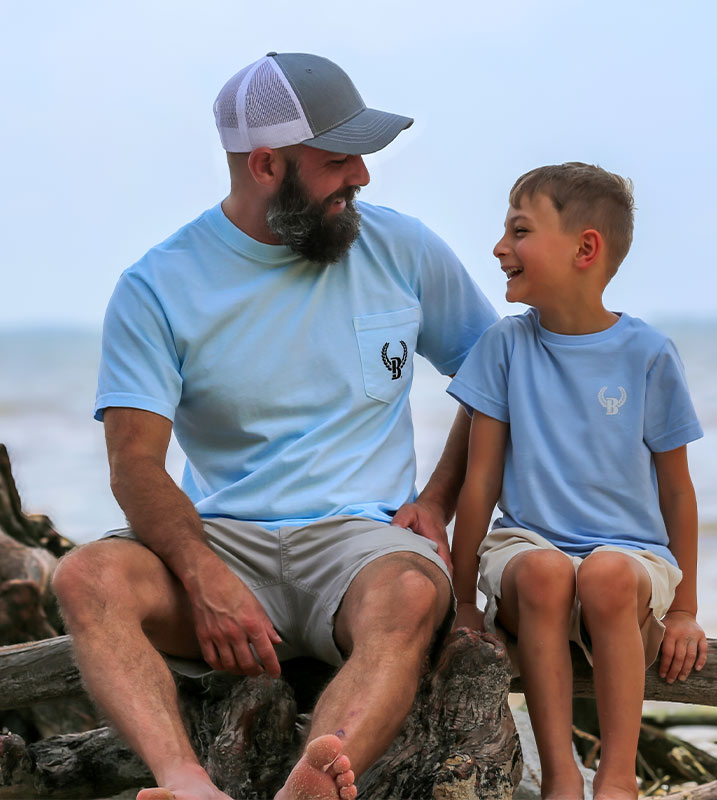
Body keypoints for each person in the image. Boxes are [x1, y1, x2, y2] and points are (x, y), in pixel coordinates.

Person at [52, 52, 497, 800]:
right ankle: (186, 784)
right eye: (337, 160)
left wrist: (441, 498)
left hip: (362, 542)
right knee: (85, 577)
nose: (361, 176)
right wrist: (202, 574)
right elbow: (135, 464)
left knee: (413, 596)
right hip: (223, 537)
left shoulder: (404, 249)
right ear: (265, 164)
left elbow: (499, 377)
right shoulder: (158, 286)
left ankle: (314, 784)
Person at [448, 163, 707, 800]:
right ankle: (562, 778)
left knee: (606, 574)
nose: (499, 247)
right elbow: (478, 482)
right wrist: (461, 602)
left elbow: (676, 489)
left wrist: (686, 610)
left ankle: (617, 781)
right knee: (546, 572)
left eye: (519, 230)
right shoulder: (504, 347)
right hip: (527, 555)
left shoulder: (647, 353)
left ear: (585, 248)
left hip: (627, 564)